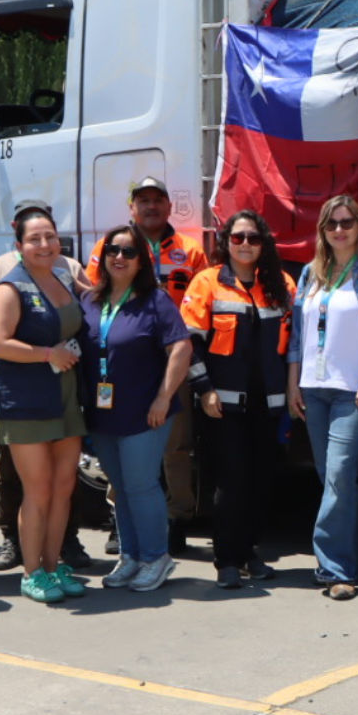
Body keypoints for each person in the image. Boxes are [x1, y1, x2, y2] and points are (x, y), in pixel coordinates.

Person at [286, 194, 358, 600]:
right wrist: (293, 383)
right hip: (314, 390)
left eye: (346, 222)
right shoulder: (311, 273)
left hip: (356, 391)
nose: (339, 230)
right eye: (331, 224)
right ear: (322, 230)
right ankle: (352, 567)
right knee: (335, 481)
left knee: (337, 475)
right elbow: (299, 337)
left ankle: (332, 569)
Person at [182, 210, 296, 590]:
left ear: (264, 243)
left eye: (253, 238)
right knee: (230, 484)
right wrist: (205, 390)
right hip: (223, 406)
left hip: (271, 406)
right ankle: (227, 560)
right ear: (225, 241)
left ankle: (249, 553)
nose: (245, 244)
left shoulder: (282, 285)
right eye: (238, 237)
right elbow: (189, 345)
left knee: (261, 482)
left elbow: (294, 344)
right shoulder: (207, 283)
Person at [91, 177, 206, 553]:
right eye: (143, 200)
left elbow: (203, 300)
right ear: (131, 208)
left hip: (173, 359)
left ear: (170, 207)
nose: (151, 206)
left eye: (158, 200)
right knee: (120, 438)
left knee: (175, 445)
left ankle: (176, 518)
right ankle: (117, 518)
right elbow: (96, 296)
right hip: (125, 362)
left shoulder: (191, 251)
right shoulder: (111, 246)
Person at [0, 207, 93, 604]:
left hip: (66, 395)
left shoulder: (64, 277)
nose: (44, 245)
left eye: (49, 236)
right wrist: (48, 354)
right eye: (34, 239)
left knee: (64, 488)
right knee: (39, 489)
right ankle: (32, 573)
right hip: (26, 401)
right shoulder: (10, 289)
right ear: (19, 246)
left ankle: (53, 565)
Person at [82, 224, 193, 592]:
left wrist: (163, 397)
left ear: (141, 261)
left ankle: (156, 557)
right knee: (120, 487)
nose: (119, 257)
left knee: (142, 485)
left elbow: (181, 348)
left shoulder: (155, 300)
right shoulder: (91, 301)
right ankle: (130, 556)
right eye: (114, 249)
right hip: (103, 413)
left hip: (146, 413)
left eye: (129, 252)